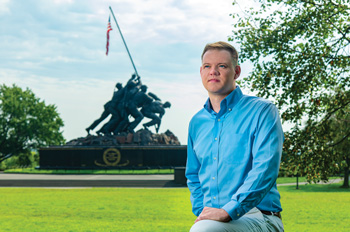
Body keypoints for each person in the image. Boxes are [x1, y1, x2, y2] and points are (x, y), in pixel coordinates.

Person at [186, 41, 284, 232]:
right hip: (213, 220)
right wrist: (202, 212)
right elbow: (193, 175)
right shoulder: (196, 122)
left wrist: (229, 211)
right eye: (207, 66)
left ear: (236, 72)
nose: (213, 71)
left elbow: (265, 169)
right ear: (201, 72)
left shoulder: (263, 111)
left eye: (221, 66)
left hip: (259, 216)